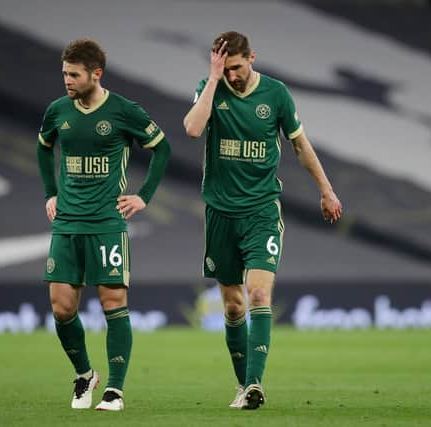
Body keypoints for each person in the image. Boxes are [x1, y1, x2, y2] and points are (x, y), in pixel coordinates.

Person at [183, 31, 342, 410]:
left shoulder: (276, 95)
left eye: (236, 67)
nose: (233, 74)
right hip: (220, 213)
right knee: (234, 307)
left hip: (261, 212)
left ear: (252, 57)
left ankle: (254, 385)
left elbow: (301, 146)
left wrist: (327, 190)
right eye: (226, 68)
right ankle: (243, 385)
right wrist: (214, 77)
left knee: (258, 294)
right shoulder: (212, 88)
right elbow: (192, 129)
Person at [37, 38, 171, 411]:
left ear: (96, 73)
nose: (67, 80)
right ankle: (84, 375)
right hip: (67, 224)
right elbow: (43, 145)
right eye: (64, 73)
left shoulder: (125, 111)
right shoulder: (57, 111)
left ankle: (114, 390)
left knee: (113, 302)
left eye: (74, 74)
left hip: (107, 224)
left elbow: (162, 148)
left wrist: (143, 195)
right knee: (62, 307)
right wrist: (51, 192)